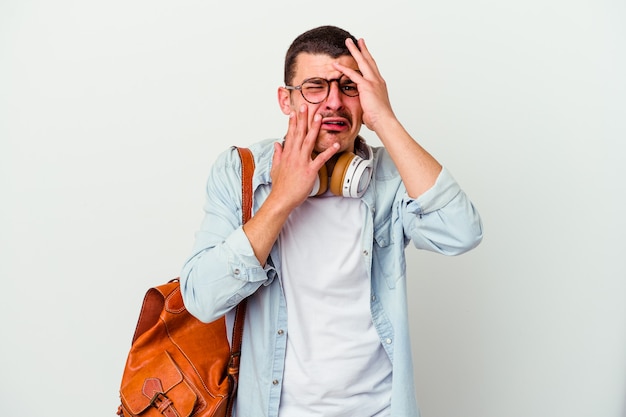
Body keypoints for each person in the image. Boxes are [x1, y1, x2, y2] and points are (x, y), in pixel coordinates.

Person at [181, 25, 483, 417]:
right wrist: (282, 199)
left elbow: (461, 233)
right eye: (315, 87)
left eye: (349, 86)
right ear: (285, 100)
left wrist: (385, 120)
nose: (333, 103)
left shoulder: (391, 177)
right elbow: (202, 298)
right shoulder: (241, 173)